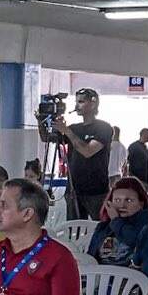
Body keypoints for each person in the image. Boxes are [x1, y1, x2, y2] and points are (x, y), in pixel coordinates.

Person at [49, 88, 112, 224]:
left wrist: (66, 131)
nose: (77, 106)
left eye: (81, 102)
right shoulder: (74, 128)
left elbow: (87, 151)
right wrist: (42, 121)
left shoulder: (103, 128)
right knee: (73, 229)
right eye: (76, 102)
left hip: (96, 190)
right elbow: (47, 139)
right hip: (74, 189)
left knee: (102, 227)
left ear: (93, 104)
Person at [88, 177, 148, 269]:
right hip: (102, 277)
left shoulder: (147, 221)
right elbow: (91, 257)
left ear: (141, 203)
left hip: (131, 279)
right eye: (117, 200)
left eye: (129, 200)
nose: (122, 205)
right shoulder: (103, 227)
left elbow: (137, 241)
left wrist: (116, 220)